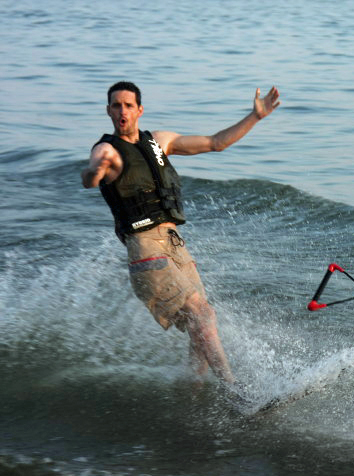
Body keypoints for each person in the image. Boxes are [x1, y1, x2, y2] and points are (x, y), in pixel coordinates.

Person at [82, 81, 280, 384]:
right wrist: (94, 173)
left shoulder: (159, 141)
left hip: (175, 247)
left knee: (202, 320)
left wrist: (255, 117)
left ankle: (193, 389)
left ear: (139, 110)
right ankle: (236, 392)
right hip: (146, 250)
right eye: (116, 105)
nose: (122, 110)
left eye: (128, 105)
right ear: (108, 111)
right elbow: (91, 172)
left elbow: (216, 142)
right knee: (201, 316)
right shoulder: (107, 150)